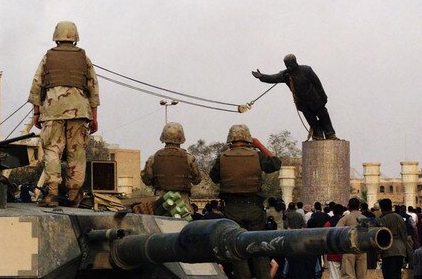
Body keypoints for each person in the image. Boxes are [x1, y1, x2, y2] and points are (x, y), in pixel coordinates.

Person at [28, 21, 100, 207]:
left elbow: (37, 85)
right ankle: (74, 195)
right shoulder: (84, 58)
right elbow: (93, 88)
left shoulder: (48, 56)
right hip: (79, 111)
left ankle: (51, 194)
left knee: (52, 150)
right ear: (75, 36)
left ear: (56, 36)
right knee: (77, 153)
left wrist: (36, 112)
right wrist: (94, 116)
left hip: (52, 111)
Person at [209, 124, 281, 279]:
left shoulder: (222, 157)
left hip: (231, 209)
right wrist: (259, 145)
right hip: (254, 208)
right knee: (258, 247)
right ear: (248, 139)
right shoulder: (257, 155)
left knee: (236, 249)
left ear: (230, 139)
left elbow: (214, 177)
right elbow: (276, 163)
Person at [252, 54, 337, 140]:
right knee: (313, 122)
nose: (288, 66)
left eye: (289, 63)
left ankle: (330, 134)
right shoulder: (286, 75)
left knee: (324, 118)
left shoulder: (307, 70)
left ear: (294, 62)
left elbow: (317, 84)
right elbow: (273, 78)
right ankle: (318, 135)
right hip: (303, 104)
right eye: (286, 64)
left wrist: (323, 97)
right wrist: (262, 77)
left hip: (316, 100)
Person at [140, 122, 202, 208]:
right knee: (183, 220)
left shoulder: (154, 158)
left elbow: (147, 180)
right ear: (181, 138)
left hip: (161, 202)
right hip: (182, 201)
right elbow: (197, 180)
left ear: (164, 137)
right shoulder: (189, 158)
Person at [376, 198, 410, 279]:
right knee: (397, 274)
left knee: (389, 274)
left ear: (382, 208)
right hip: (400, 250)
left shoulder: (382, 219)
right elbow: (404, 233)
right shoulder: (399, 217)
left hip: (388, 250)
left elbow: (381, 236)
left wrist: (379, 252)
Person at [337, 198, 366, 279]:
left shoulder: (345, 218)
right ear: (359, 206)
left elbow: (336, 232)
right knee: (362, 274)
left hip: (348, 248)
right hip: (362, 248)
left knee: (348, 274)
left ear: (348, 206)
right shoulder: (364, 218)